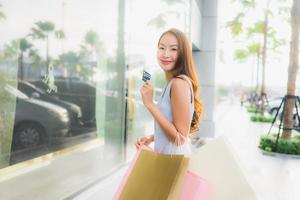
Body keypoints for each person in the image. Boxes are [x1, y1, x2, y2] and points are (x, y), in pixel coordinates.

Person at [135, 28, 204, 155]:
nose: (166, 54)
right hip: (168, 159)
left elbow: (180, 138)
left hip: (173, 162)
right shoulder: (172, 83)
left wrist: (150, 104)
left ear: (183, 53)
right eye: (161, 48)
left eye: (173, 49)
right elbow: (173, 127)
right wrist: (151, 138)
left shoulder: (179, 83)